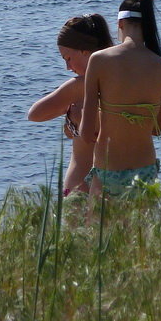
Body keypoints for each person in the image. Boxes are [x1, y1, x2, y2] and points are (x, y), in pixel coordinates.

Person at [79, 0, 161, 198]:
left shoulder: (99, 60)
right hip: (146, 170)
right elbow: (157, 129)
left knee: (100, 229)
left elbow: (87, 133)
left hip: (108, 169)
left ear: (120, 23)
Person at [28, 14, 114, 195]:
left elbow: (35, 114)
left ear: (84, 51)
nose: (68, 67)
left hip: (79, 184)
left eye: (68, 58)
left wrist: (69, 113)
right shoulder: (121, 82)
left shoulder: (78, 87)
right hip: (120, 181)